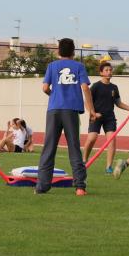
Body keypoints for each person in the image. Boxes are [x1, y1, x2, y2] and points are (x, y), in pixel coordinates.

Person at [35, 38, 95, 196]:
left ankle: (41, 187)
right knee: (74, 148)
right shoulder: (79, 67)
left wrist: (53, 95)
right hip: (71, 111)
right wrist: (92, 110)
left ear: (58, 51)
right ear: (74, 52)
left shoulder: (52, 66)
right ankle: (80, 187)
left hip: (54, 110)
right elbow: (85, 88)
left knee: (49, 147)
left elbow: (45, 88)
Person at [82, 62, 129, 173]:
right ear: (101, 73)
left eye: (110, 70)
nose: (109, 72)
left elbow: (119, 103)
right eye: (106, 70)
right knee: (92, 138)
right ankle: (84, 160)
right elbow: (87, 102)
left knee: (111, 141)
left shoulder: (114, 87)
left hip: (109, 118)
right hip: (96, 116)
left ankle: (108, 167)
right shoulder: (96, 86)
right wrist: (92, 113)